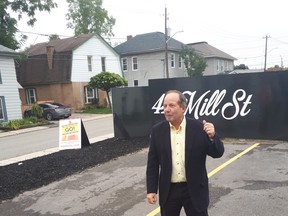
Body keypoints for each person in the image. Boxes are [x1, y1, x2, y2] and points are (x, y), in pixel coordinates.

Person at [146, 90, 224, 216]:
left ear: (183, 108)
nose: (167, 109)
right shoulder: (157, 131)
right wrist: (151, 190)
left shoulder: (199, 128)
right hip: (169, 191)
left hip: (194, 190)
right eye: (165, 106)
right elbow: (152, 164)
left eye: (171, 105)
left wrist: (213, 137)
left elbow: (217, 153)